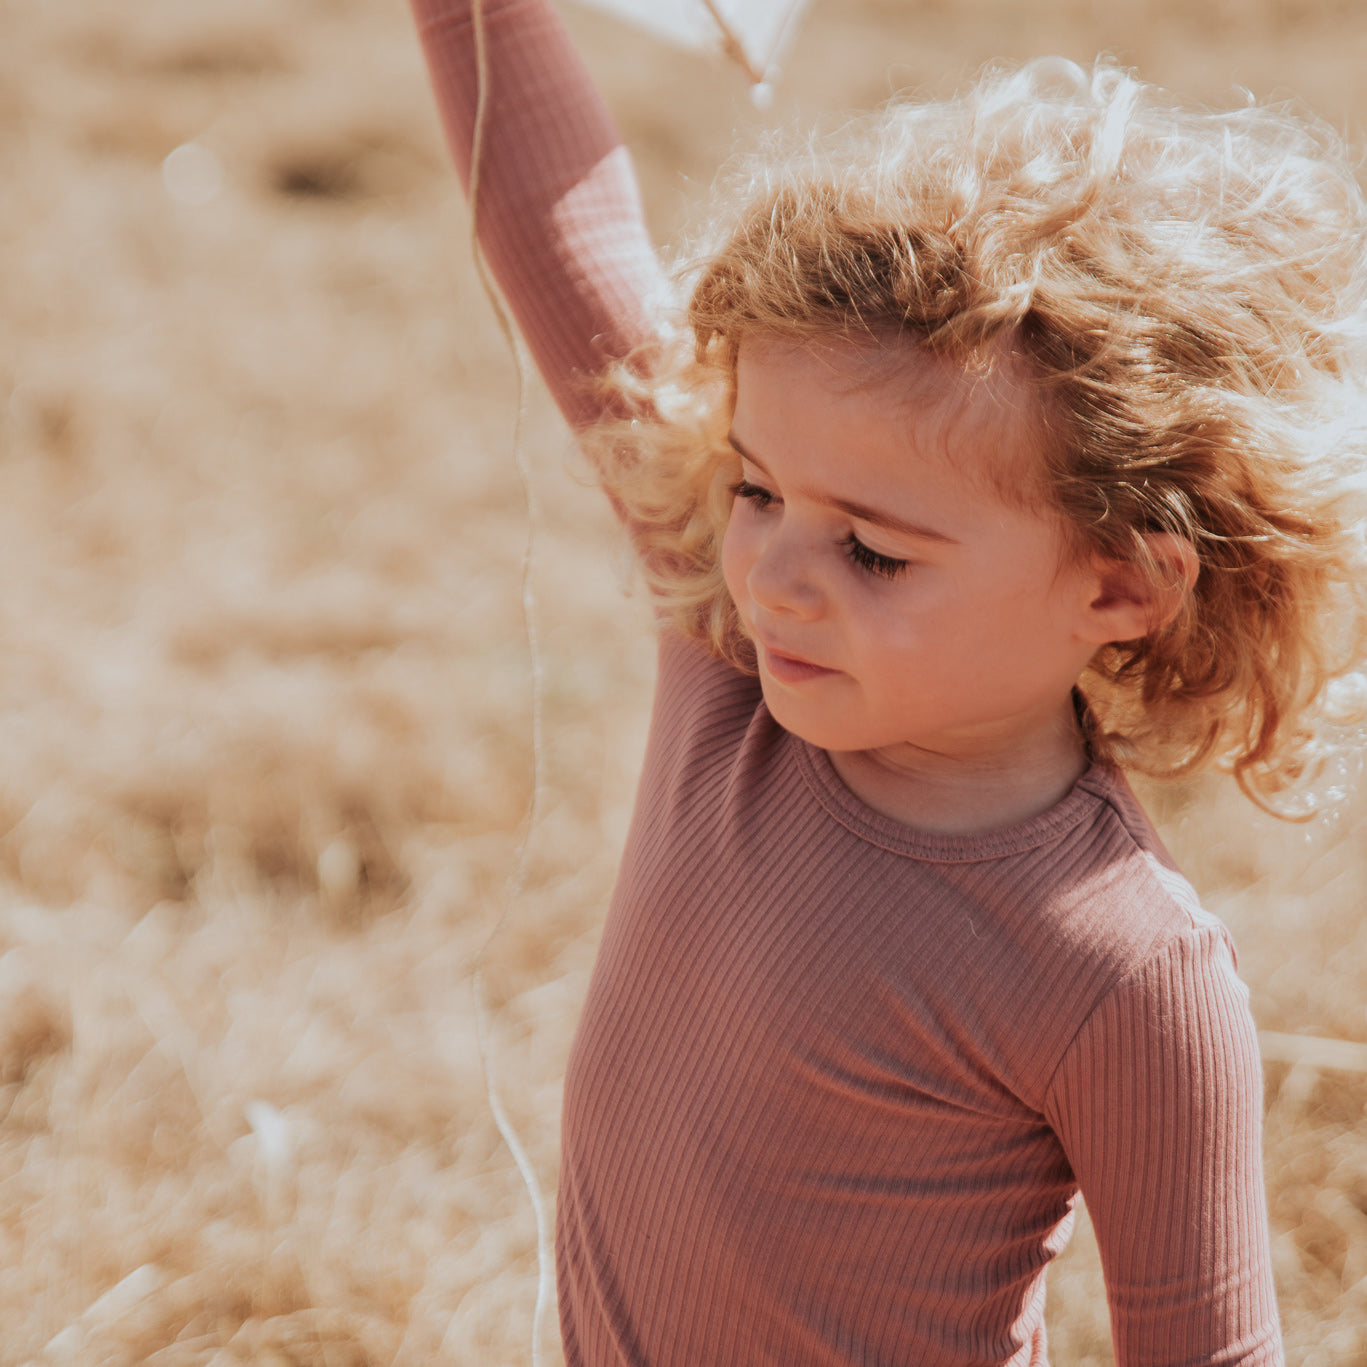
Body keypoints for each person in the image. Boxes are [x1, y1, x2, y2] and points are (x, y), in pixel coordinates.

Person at [408, 1, 1367, 1361]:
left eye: (873, 551)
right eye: (754, 488)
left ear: (1122, 584)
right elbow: (573, 247)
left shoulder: (1122, 966)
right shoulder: (737, 658)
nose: (776, 574)